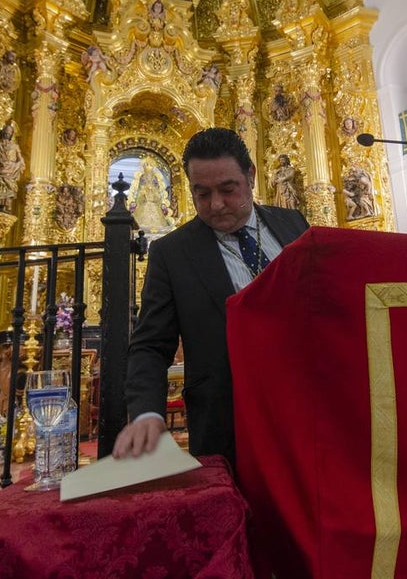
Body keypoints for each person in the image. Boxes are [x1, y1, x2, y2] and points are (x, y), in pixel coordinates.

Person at [113, 128, 309, 461]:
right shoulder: (172, 254)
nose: (216, 205)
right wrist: (147, 412)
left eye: (227, 189)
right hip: (231, 423)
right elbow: (149, 345)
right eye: (201, 194)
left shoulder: (292, 224)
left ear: (251, 176)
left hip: (308, 408)